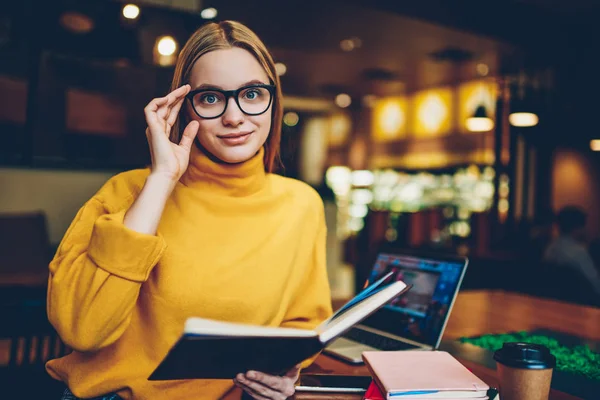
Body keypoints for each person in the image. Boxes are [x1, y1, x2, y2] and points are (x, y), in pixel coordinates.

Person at [46, 20, 332, 400]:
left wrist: (285, 373)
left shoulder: (301, 204)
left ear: (273, 99)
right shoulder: (127, 192)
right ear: (184, 107)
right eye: (211, 98)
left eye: (251, 93)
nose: (234, 116)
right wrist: (162, 178)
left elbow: (302, 325)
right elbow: (83, 329)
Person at [543, 206, 600, 296]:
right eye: (585, 226)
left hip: (557, 300)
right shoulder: (579, 253)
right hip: (584, 304)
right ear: (577, 228)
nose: (587, 230)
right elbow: (596, 286)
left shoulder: (550, 248)